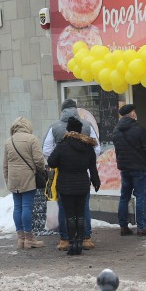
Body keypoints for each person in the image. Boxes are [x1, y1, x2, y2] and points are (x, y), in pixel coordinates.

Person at [43, 99, 100, 251]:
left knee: (65, 210)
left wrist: (63, 158)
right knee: (83, 209)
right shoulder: (87, 126)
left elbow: (47, 152)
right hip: (83, 178)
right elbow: (96, 150)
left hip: (64, 179)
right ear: (76, 110)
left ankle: (65, 239)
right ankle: (85, 239)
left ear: (62, 110)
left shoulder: (54, 129)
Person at [112, 104, 146, 236]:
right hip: (138, 168)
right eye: (134, 112)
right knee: (141, 196)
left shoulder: (116, 130)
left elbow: (117, 149)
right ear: (131, 114)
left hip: (124, 168)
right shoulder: (139, 128)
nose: (135, 114)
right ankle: (142, 227)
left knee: (124, 197)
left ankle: (123, 226)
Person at [3, 117, 46, 249]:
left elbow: (5, 165)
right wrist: (41, 170)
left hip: (13, 178)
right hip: (28, 177)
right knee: (27, 207)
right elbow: (39, 160)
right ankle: (29, 239)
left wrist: (7, 180)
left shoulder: (8, 141)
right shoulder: (32, 139)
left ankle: (20, 239)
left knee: (18, 207)